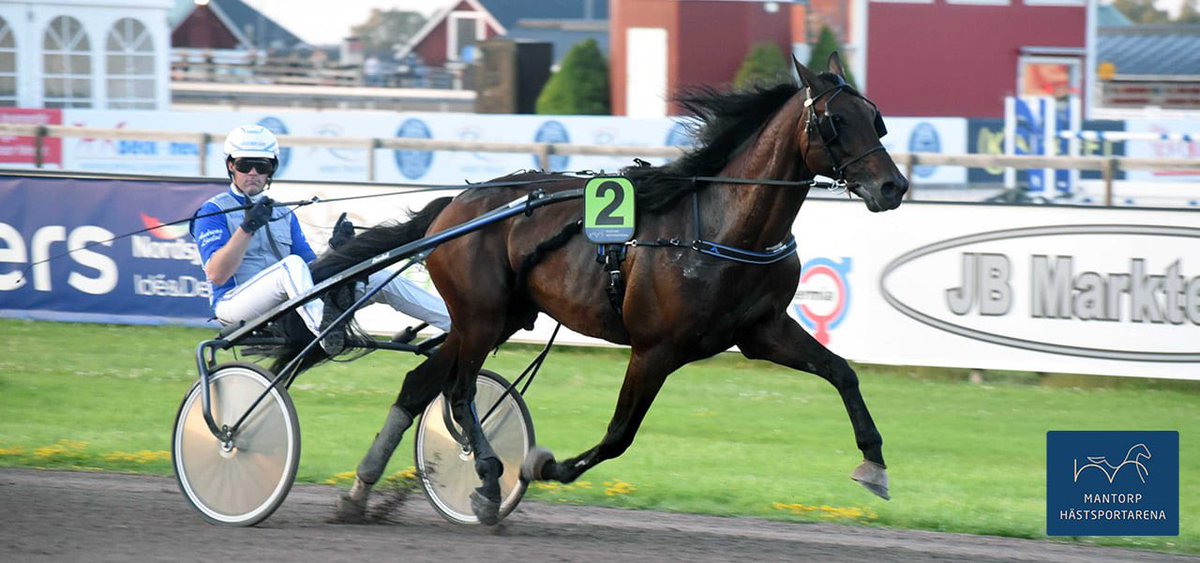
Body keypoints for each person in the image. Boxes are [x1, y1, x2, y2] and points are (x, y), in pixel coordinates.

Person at [191, 124, 451, 355]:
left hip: (286, 304)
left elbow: (310, 271)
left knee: (377, 276)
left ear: (272, 169)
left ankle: (455, 323)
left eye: (262, 165)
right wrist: (247, 228)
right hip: (234, 305)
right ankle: (325, 331)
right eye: (244, 164)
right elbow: (217, 275)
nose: (253, 172)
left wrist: (337, 250)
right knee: (290, 266)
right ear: (230, 166)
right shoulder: (213, 211)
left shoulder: (281, 213)